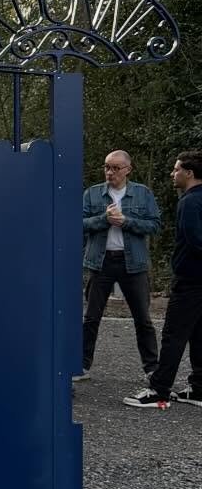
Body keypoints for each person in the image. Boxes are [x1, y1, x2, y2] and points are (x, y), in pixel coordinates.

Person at [124, 151, 202, 408]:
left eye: (177, 169)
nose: (173, 173)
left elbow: (194, 239)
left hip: (190, 279)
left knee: (174, 334)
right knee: (199, 333)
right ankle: (199, 388)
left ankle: (159, 389)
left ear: (189, 173)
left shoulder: (190, 202)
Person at [80, 150, 160, 380]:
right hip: (101, 262)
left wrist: (126, 222)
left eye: (115, 168)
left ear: (128, 170)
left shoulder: (142, 193)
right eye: (107, 167)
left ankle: (152, 368)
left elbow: (154, 225)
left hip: (133, 263)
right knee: (91, 317)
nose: (109, 172)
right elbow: (79, 224)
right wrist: (103, 220)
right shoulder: (93, 194)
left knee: (142, 318)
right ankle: (82, 365)